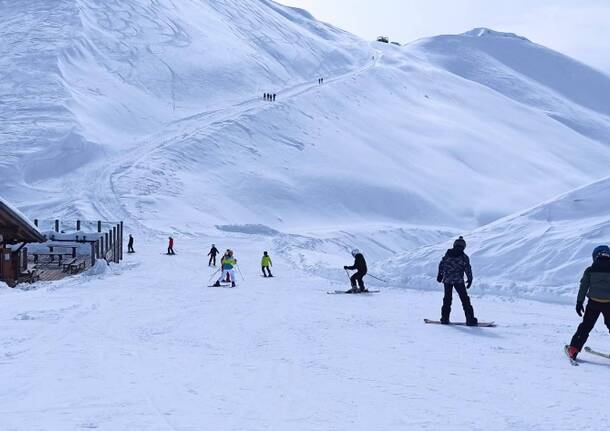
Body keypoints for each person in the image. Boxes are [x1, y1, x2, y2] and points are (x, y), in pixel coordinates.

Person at [566, 245, 610, 360]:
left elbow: (584, 287)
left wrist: (579, 302)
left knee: (586, 327)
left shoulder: (590, 270)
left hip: (593, 303)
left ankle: (574, 349)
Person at [436, 236, 477, 325]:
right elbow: (467, 269)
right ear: (464, 246)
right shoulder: (463, 256)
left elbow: (441, 264)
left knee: (447, 299)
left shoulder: (448, 254)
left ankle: (444, 319)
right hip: (458, 281)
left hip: (447, 280)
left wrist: (439, 274)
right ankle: (470, 320)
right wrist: (470, 279)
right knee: (465, 300)